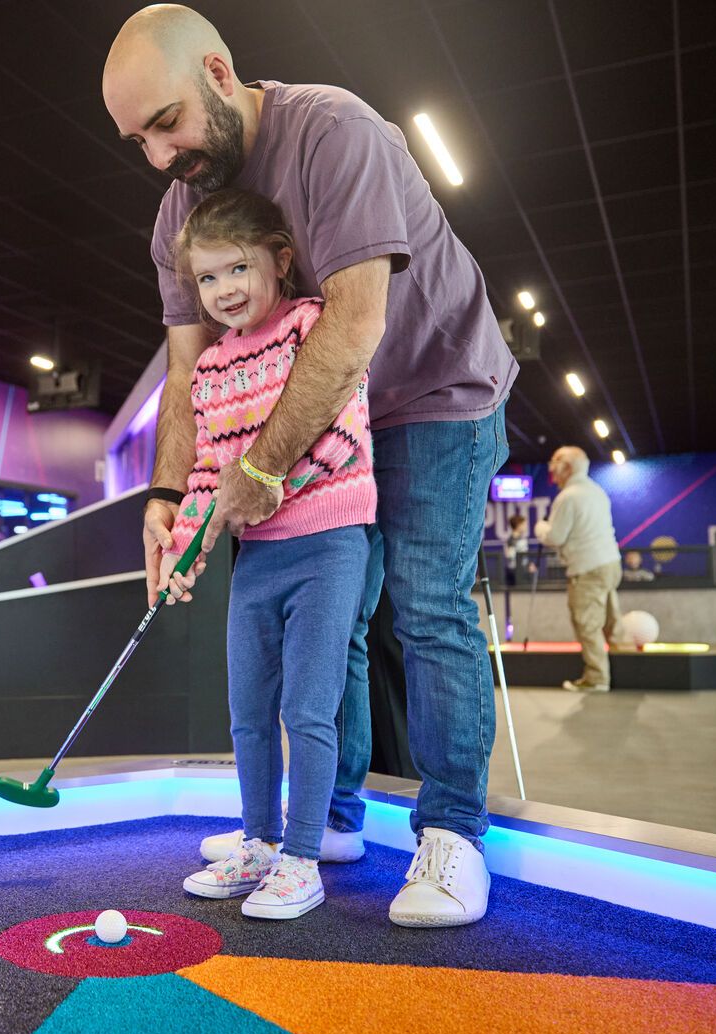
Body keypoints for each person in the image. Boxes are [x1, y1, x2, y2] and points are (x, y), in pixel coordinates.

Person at [104, 5, 516, 927]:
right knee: (344, 622)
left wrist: (257, 472)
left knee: (425, 603)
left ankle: (452, 837)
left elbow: (353, 326)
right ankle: (325, 820)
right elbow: (186, 369)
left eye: (164, 123)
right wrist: (168, 495)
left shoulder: (335, 131)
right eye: (136, 139)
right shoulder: (182, 210)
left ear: (217, 72)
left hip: (431, 391)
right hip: (324, 414)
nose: (158, 156)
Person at [159, 187, 374, 920]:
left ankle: (302, 858)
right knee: (247, 710)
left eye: (236, 270)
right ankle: (256, 841)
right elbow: (203, 475)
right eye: (207, 279)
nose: (222, 291)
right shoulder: (212, 367)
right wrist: (184, 551)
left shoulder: (312, 328)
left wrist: (256, 489)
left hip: (328, 543)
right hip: (255, 559)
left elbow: (341, 438)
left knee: (306, 708)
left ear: (279, 260)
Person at [535, 446, 622, 692]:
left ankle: (597, 678)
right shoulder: (597, 491)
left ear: (567, 467)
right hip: (610, 562)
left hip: (587, 567)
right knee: (609, 618)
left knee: (586, 622)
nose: (552, 472)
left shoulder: (568, 496)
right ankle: (624, 666)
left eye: (555, 466)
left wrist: (540, 528)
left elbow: (556, 537)